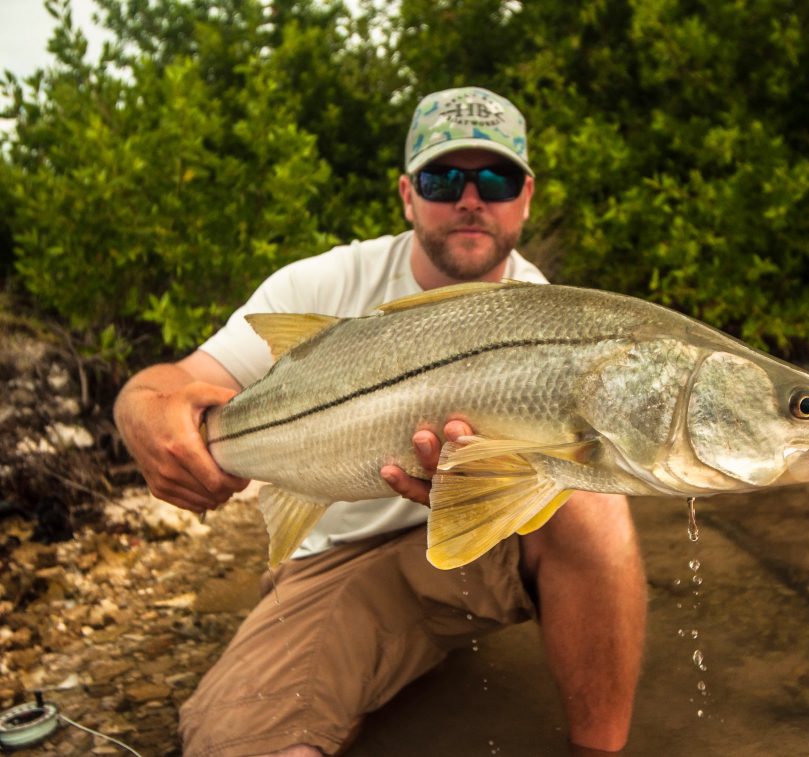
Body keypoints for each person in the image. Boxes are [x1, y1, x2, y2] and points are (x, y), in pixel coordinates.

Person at [113, 86, 647, 756]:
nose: (470, 198)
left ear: (527, 195)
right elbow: (167, 385)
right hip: (338, 559)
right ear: (406, 194)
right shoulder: (322, 284)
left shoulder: (554, 314)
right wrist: (141, 413)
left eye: (497, 178)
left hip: (480, 548)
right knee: (252, 742)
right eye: (443, 177)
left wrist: (471, 485)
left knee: (594, 495)